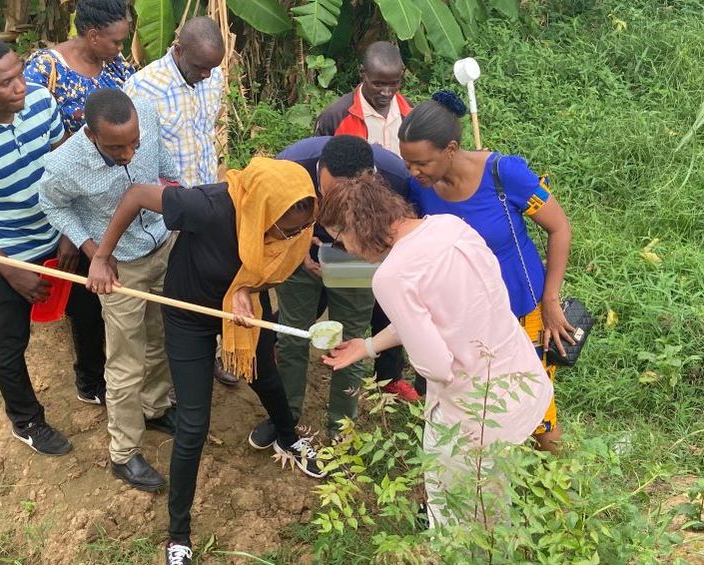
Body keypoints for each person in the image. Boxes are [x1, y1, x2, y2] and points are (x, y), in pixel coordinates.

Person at [86, 157, 326, 565]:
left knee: (266, 378)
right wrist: (103, 257)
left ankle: (288, 439)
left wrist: (247, 289)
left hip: (244, 310)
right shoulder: (209, 206)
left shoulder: (297, 224)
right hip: (190, 317)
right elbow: (136, 194)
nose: (292, 237)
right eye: (285, 229)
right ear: (261, 210)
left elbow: (275, 264)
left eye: (300, 229)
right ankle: (178, 538)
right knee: (194, 426)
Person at [318, 173, 553, 530]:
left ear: (356, 228)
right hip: (520, 383)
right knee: (495, 499)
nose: (345, 250)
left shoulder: (392, 276)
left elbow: (437, 365)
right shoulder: (450, 226)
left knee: (460, 518)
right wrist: (367, 346)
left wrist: (417, 352)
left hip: (474, 414)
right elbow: (444, 314)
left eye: (339, 240)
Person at [0, 36, 105, 455]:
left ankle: (92, 383)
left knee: (88, 313)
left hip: (59, 235)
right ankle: (26, 420)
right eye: (5, 82)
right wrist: (10, 271)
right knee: (10, 341)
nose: (20, 87)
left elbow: (65, 166)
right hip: (6, 251)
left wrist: (69, 233)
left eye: (19, 74)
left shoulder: (42, 101)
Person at [398, 91, 574, 452]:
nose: (413, 172)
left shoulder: (504, 175)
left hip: (522, 308)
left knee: (536, 406)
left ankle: (557, 479)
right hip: (464, 317)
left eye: (422, 163)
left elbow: (559, 228)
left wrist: (551, 300)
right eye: (408, 163)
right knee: (477, 405)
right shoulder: (421, 188)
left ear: (450, 149)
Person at [38, 89, 179, 491]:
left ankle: (155, 407)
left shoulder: (145, 113)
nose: (129, 154)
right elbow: (53, 205)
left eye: (134, 143)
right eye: (116, 148)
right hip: (120, 267)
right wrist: (93, 252)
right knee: (125, 360)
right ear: (91, 134)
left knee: (162, 336)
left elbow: (165, 168)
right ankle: (124, 452)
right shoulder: (64, 165)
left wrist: (180, 208)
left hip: (164, 245)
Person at [246, 135, 417, 448]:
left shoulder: (396, 178)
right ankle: (285, 417)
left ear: (371, 180)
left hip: (359, 260)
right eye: (328, 193)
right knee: (292, 335)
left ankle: (342, 429)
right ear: (318, 171)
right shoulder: (290, 166)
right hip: (299, 256)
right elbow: (265, 217)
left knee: (352, 341)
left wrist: (356, 252)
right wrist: (298, 245)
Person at [123, 16, 238, 387]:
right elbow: (134, 158)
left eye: (212, 68)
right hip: (168, 212)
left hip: (209, 203)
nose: (206, 75)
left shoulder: (212, 78)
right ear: (178, 49)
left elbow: (207, 133)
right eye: (200, 66)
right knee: (174, 292)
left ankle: (213, 353)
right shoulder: (142, 87)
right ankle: (175, 371)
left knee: (214, 281)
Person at [24, 0, 134, 134]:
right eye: (117, 42)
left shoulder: (113, 61)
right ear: (93, 37)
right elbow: (33, 127)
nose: (121, 48)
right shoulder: (46, 69)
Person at [314, 41, 412, 157]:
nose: (386, 93)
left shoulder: (410, 112)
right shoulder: (335, 117)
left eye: (394, 84)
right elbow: (319, 161)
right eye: (378, 84)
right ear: (362, 73)